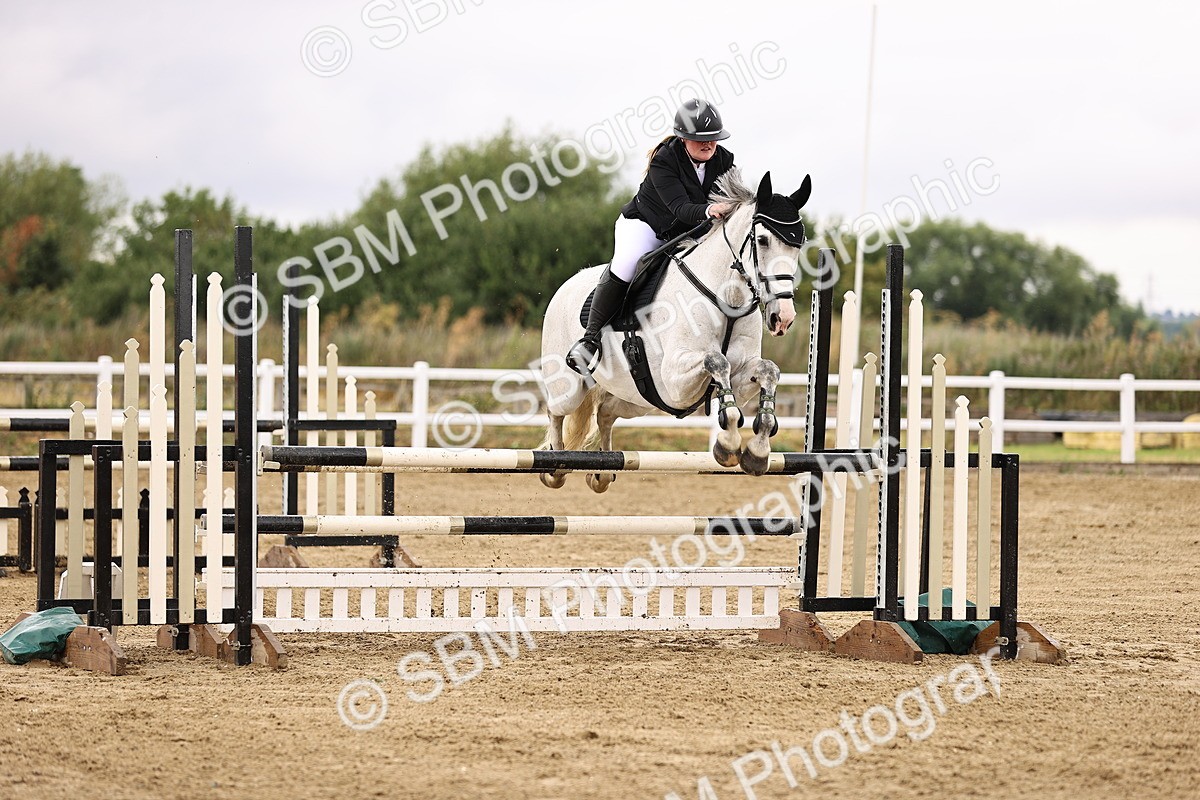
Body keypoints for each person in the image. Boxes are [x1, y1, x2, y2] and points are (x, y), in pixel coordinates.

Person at [567, 98, 737, 375]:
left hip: (691, 229)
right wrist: (710, 209)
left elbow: (733, 196)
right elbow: (680, 208)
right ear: (683, 138)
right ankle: (590, 339)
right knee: (628, 263)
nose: (709, 144)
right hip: (646, 225)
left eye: (713, 139)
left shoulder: (724, 159)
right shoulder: (665, 160)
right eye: (700, 139)